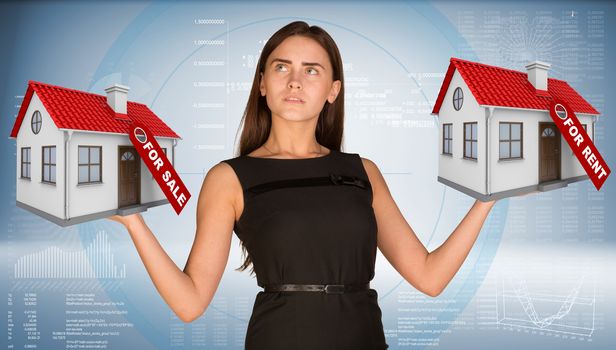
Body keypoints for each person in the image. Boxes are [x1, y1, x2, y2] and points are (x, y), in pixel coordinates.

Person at [109, 21, 497, 350]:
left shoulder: (364, 172)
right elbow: (190, 303)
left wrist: (486, 199)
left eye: (312, 70)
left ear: (333, 91)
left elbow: (430, 277)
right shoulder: (228, 179)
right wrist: (134, 224)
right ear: (262, 83)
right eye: (281, 68)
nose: (295, 81)